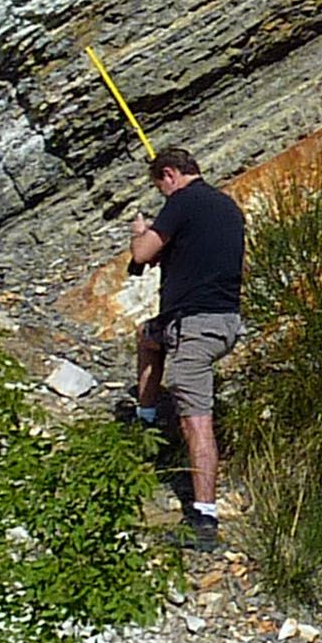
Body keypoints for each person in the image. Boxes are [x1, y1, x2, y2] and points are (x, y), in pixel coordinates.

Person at [129, 147, 245, 550]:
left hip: (197, 326)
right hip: (220, 320)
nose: (162, 194)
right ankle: (145, 420)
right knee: (148, 336)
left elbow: (142, 254)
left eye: (160, 187)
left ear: (170, 175)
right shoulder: (225, 206)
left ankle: (204, 518)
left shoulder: (182, 201)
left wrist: (139, 233)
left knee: (196, 420)